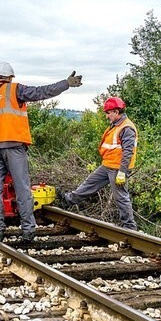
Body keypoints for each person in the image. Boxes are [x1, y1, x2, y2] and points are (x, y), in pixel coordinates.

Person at [0, 62, 83, 243]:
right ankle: (28, 230)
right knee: (22, 188)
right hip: (14, 147)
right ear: (10, 77)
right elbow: (42, 92)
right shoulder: (15, 90)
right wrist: (66, 83)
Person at [58, 97, 138, 230]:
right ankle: (68, 200)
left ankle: (130, 227)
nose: (107, 116)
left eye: (108, 113)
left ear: (116, 112)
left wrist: (122, 172)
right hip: (108, 165)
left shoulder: (127, 128)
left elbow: (128, 152)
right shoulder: (116, 125)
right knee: (89, 184)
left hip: (118, 169)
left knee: (121, 197)